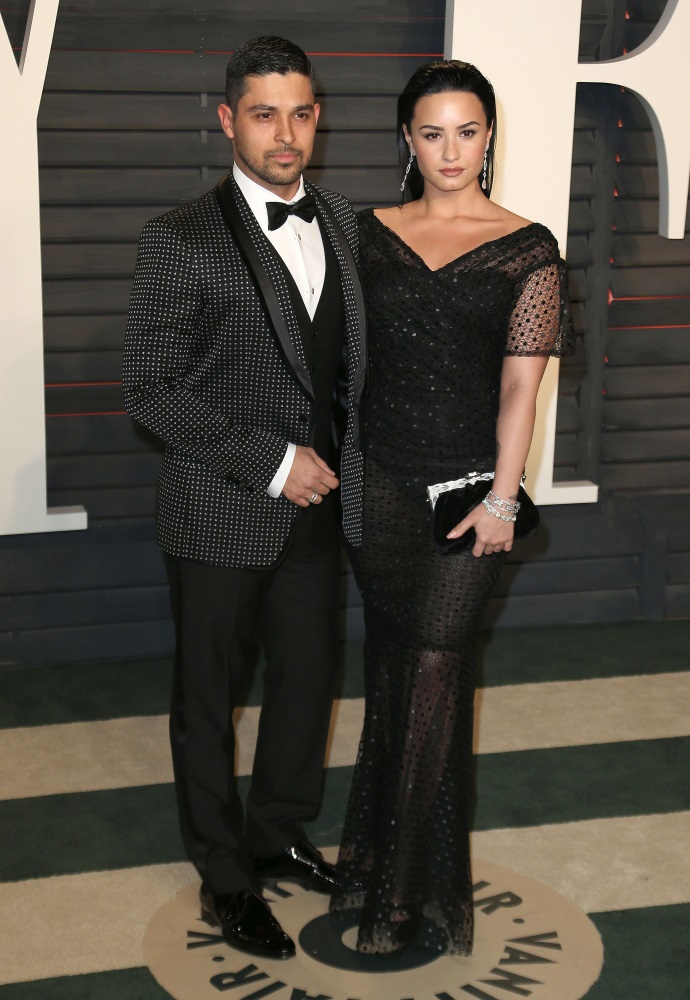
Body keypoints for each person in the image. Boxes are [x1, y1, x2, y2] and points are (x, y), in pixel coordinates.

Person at [123, 36, 366, 961]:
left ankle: (278, 830)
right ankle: (225, 874)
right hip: (220, 507)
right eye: (265, 114)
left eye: (300, 113)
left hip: (321, 510)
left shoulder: (344, 221)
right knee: (209, 699)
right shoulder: (178, 237)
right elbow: (151, 390)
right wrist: (270, 462)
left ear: (318, 118)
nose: (285, 133)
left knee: (308, 680)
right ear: (229, 119)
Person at [331, 60, 573, 956]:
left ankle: (401, 894)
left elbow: (521, 390)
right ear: (407, 138)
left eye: (467, 131)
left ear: (489, 136)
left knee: (436, 667)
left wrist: (505, 498)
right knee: (393, 668)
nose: (450, 151)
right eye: (431, 133)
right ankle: (376, 858)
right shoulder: (365, 235)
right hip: (378, 487)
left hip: (468, 499)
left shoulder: (527, 249)